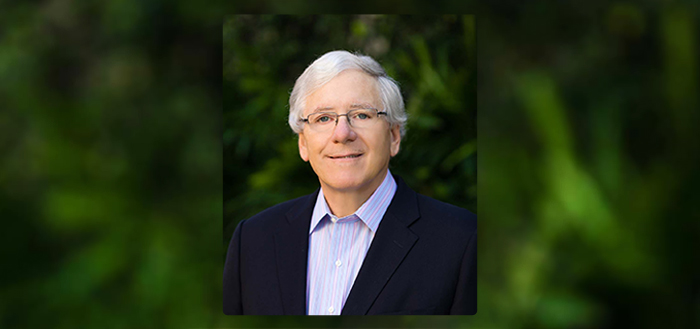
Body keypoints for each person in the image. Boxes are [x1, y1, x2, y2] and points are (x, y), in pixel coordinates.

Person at [223, 50, 476, 315]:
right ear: (303, 144)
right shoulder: (252, 240)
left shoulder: (462, 240)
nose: (342, 134)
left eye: (362, 115)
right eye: (323, 118)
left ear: (393, 136)